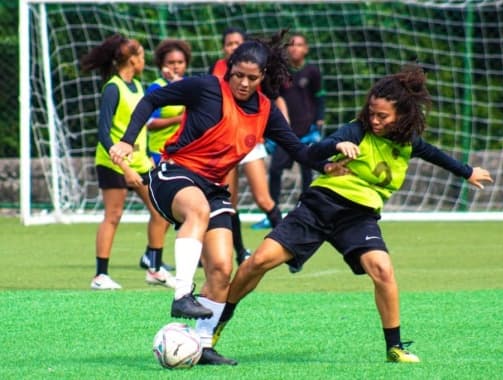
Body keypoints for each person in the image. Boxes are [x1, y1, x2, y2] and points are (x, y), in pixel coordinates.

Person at [211, 65, 494, 363]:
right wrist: (337, 143)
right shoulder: (357, 130)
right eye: (371, 112)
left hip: (358, 217)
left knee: (382, 269)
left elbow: (436, 154)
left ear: (401, 115)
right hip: (321, 204)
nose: (374, 120)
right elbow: (316, 150)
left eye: (382, 116)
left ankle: (395, 347)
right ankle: (217, 325)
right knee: (258, 261)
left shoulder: (408, 143)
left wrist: (467, 172)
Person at [109, 32, 359, 365]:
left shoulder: (266, 112)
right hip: (175, 173)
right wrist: (127, 140)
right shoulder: (207, 87)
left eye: (251, 78)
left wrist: (329, 157)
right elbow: (150, 101)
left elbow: (299, 150)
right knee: (196, 210)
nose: (242, 82)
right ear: (229, 69)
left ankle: (202, 344)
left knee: (222, 269)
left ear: (263, 77)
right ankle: (182, 292)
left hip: (213, 187)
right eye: (237, 74)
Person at [80, 34, 173, 290]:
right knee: (114, 214)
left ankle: (154, 269)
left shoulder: (139, 88)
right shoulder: (113, 87)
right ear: (132, 60)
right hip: (112, 163)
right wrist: (125, 167)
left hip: (141, 162)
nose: (144, 60)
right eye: (141, 56)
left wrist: (145, 162)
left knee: (160, 212)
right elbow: (103, 134)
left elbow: (142, 128)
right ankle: (100, 276)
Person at [210, 27, 290, 265]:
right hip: (224, 143)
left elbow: (274, 98)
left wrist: (282, 127)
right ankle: (239, 251)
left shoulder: (255, 69)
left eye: (237, 42)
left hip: (251, 143)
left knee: (264, 199)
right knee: (228, 202)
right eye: (228, 43)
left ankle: (289, 246)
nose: (232, 46)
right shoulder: (217, 70)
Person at [254, 32, 325, 230]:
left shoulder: (312, 71)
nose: (295, 48)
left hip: (307, 130)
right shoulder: (281, 71)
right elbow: (274, 98)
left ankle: (307, 212)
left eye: (300, 45)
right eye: (291, 45)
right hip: (284, 132)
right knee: (275, 169)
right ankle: (272, 212)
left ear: (306, 49)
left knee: (307, 171)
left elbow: (319, 98)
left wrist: (319, 121)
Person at [139, 39, 193, 273]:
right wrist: (178, 119)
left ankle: (151, 255)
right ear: (162, 64)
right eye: (171, 62)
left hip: (184, 156)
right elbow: (149, 123)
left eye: (180, 62)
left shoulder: (189, 85)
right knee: (162, 211)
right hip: (159, 154)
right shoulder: (157, 88)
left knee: (175, 211)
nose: (176, 66)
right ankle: (153, 258)